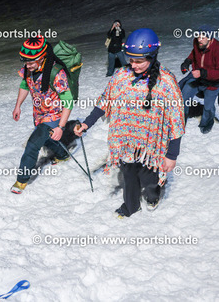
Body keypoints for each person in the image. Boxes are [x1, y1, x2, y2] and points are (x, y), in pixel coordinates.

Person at [74, 28, 184, 218]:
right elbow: (105, 100)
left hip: (151, 145)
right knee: (129, 174)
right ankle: (131, 206)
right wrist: (87, 123)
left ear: (152, 56)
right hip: (125, 140)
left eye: (139, 61)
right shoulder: (122, 76)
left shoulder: (166, 82)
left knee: (149, 177)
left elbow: (177, 120)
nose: (133, 65)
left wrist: (172, 155)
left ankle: (153, 196)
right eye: (131, 60)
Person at [12, 36, 74, 194]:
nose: (27, 65)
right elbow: (25, 84)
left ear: (42, 57)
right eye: (25, 62)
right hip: (39, 114)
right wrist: (18, 106)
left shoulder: (56, 73)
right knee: (46, 138)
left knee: (32, 145)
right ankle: (62, 154)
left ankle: (22, 180)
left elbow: (68, 102)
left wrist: (60, 127)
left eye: (31, 62)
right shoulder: (29, 68)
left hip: (54, 116)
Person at [179, 24, 219, 134]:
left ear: (210, 38)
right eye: (198, 37)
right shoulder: (198, 44)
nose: (199, 40)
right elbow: (193, 53)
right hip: (197, 79)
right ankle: (180, 123)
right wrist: (187, 61)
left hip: (212, 83)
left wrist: (203, 73)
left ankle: (206, 124)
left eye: (202, 37)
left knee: (208, 107)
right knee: (183, 97)